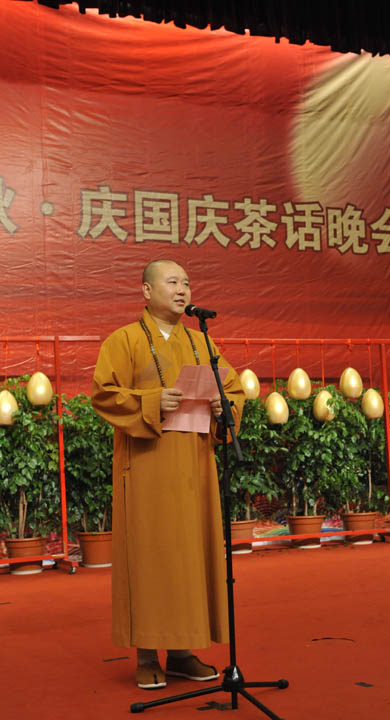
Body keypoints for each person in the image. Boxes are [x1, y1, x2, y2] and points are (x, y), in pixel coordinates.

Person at [91, 259, 245, 690]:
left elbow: (232, 388)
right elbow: (103, 394)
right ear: (146, 291)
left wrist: (224, 405)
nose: (182, 290)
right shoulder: (124, 340)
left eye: (187, 283)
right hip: (147, 465)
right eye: (172, 282)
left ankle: (181, 652)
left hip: (195, 465)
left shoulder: (200, 342)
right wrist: (152, 401)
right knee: (151, 555)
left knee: (189, 555)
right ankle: (146, 654)